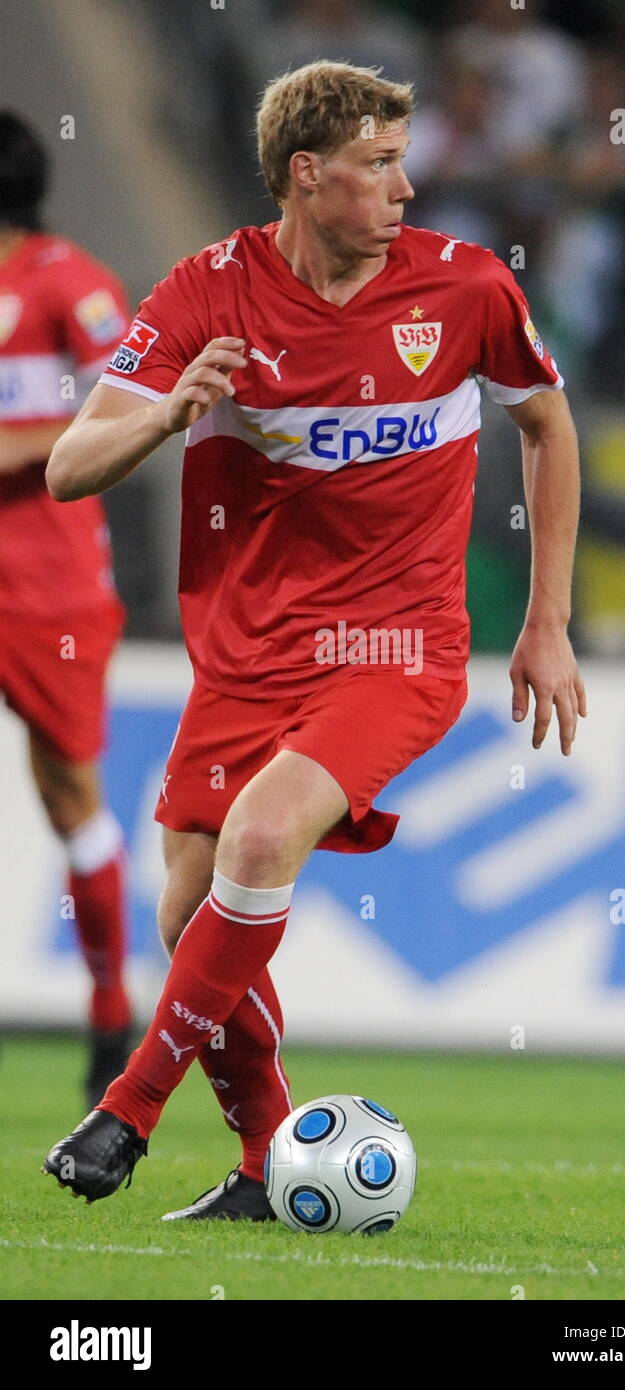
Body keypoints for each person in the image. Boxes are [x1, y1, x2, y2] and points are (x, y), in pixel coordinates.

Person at [42, 62, 586, 1221]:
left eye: (403, 161)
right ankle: (259, 1162)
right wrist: (167, 408)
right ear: (307, 174)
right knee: (190, 914)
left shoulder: (467, 288)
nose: (405, 186)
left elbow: (545, 422)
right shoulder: (206, 292)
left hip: (400, 647)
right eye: (379, 165)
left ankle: (126, 1110)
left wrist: (544, 621)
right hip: (246, 654)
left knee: (261, 832)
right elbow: (65, 466)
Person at [0, 111, 132, 1108]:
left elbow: (125, 412)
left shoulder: (68, 284)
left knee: (66, 792)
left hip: (46, 582)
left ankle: (108, 1009)